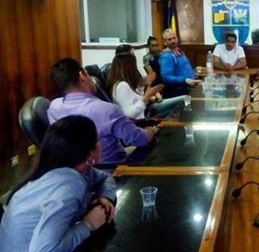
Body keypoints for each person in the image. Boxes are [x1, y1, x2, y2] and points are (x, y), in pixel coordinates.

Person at [0, 115, 116, 251]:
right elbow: (45, 250)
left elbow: (105, 178)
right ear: (90, 155)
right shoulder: (68, 188)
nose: (100, 144)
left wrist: (104, 196)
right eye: (98, 140)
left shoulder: (69, 167)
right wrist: (88, 224)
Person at [47, 58, 158, 164]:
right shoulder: (107, 110)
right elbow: (142, 139)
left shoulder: (53, 107)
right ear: (82, 76)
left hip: (78, 172)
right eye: (88, 74)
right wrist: (151, 130)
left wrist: (120, 121)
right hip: (114, 170)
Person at [107, 54, 183, 119]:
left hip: (147, 112)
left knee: (183, 101)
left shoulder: (125, 84)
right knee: (182, 104)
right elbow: (129, 115)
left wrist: (141, 86)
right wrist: (146, 96)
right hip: (143, 120)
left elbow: (135, 100)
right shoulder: (122, 86)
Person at [159, 29, 201, 97]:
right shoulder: (166, 56)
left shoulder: (179, 51)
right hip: (180, 91)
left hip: (190, 86)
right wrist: (185, 80)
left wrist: (194, 76)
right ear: (164, 42)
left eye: (174, 38)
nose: (173, 41)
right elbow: (165, 77)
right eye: (169, 39)